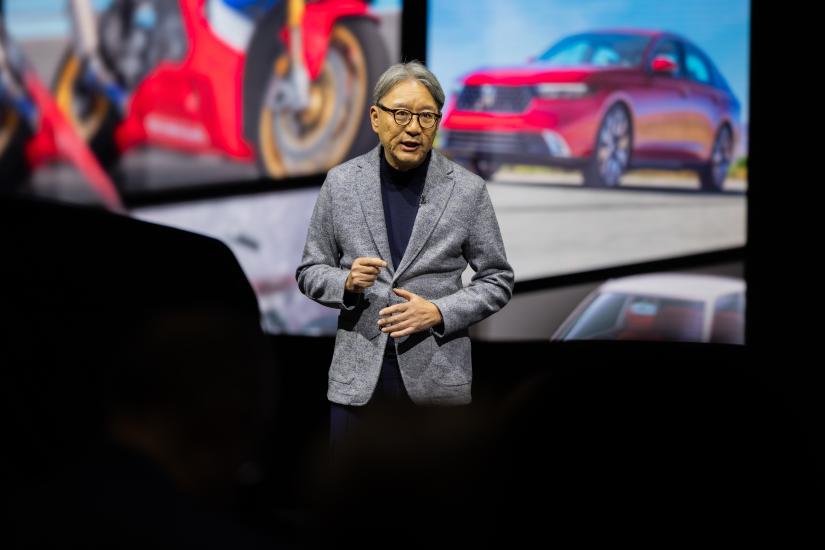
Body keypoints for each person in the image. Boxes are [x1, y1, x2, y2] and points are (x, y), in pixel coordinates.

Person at [295, 60, 514, 451]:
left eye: (426, 116)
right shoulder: (342, 183)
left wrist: (440, 312)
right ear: (376, 118)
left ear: (437, 122)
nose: (413, 127)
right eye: (401, 114)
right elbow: (310, 270)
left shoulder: (467, 190)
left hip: (436, 386)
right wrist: (344, 283)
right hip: (358, 385)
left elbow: (497, 279)